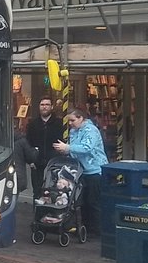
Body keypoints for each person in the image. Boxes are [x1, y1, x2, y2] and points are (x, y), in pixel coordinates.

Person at [53, 107, 109, 235]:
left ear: (81, 118)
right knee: (81, 201)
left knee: (93, 202)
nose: (70, 123)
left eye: (73, 120)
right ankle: (83, 227)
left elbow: (87, 147)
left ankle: (96, 230)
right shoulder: (73, 131)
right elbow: (75, 149)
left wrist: (67, 147)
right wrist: (66, 151)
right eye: (69, 121)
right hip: (80, 170)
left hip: (94, 170)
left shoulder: (91, 130)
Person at [24, 97, 64, 196]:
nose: (44, 107)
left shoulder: (60, 124)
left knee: (54, 189)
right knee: (37, 190)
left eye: (47, 105)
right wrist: (30, 160)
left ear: (52, 107)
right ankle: (37, 211)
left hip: (54, 162)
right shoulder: (32, 124)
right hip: (37, 162)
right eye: (42, 105)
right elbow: (27, 143)